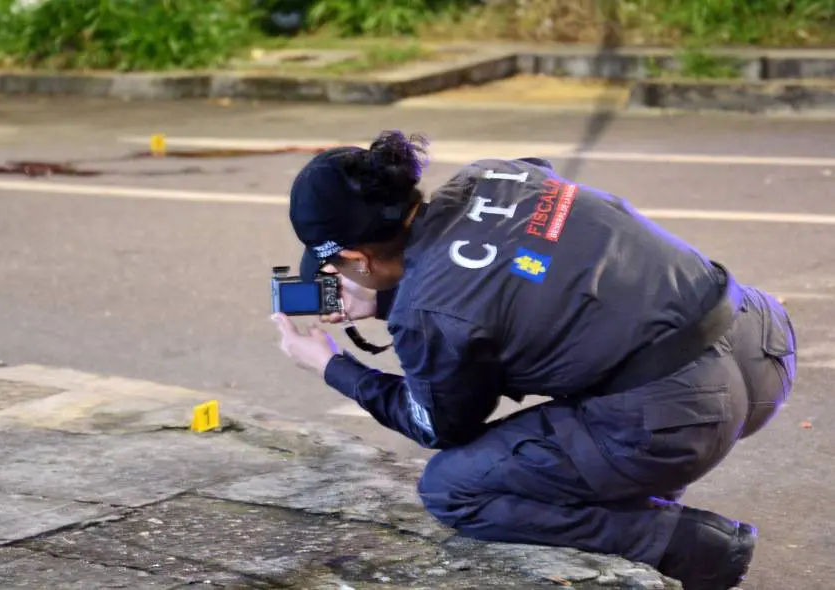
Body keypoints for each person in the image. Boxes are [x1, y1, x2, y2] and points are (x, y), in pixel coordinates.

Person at [270, 130, 797, 590]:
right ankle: (635, 488)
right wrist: (387, 300)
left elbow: (438, 424)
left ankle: (691, 547)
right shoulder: (494, 174)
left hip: (682, 416)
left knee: (452, 488)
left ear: (358, 258)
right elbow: (507, 269)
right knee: (594, 382)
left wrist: (330, 365)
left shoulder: (427, 315)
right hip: (762, 344)